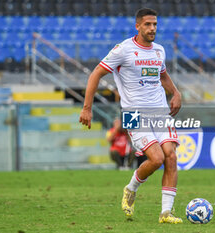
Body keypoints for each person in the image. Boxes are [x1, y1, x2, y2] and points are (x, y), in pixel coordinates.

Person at [79, 8, 182, 223]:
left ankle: (166, 213)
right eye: (147, 24)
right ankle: (131, 188)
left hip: (160, 111)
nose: (152, 28)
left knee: (171, 157)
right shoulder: (123, 50)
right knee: (156, 158)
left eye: (154, 24)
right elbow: (96, 73)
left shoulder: (159, 51)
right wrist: (87, 107)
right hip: (134, 114)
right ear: (137, 26)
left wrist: (176, 92)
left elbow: (162, 75)